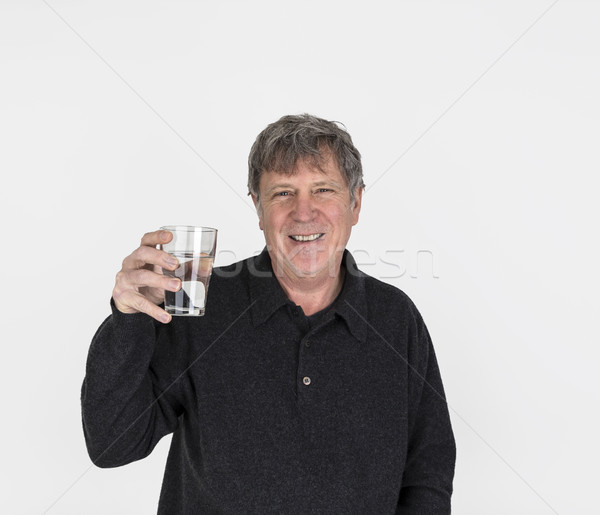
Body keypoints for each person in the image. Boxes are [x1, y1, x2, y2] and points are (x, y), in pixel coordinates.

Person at [82, 114, 456, 513]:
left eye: (323, 189)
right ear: (258, 209)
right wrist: (129, 318)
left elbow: (428, 469)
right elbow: (112, 444)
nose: (304, 212)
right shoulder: (201, 305)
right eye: (282, 193)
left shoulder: (395, 318)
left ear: (356, 203)